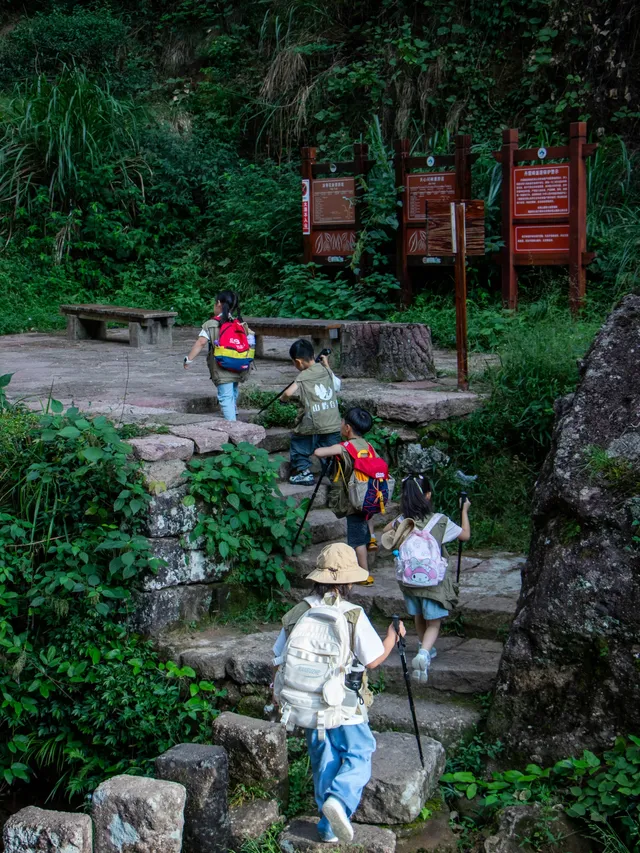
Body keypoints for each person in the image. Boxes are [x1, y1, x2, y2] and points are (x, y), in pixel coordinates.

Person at [272, 543, 405, 843]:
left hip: (306, 704)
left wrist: (276, 695)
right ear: (348, 581)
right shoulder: (352, 614)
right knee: (359, 752)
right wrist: (392, 637)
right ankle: (341, 800)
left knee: (323, 759)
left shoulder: (298, 611)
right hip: (343, 704)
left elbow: (278, 657)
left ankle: (327, 827)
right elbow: (372, 659)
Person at [381, 475, 470, 683]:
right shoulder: (440, 520)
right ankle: (424, 654)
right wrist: (464, 510)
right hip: (433, 581)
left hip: (409, 581)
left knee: (419, 615)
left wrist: (400, 519)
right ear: (428, 495)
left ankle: (425, 648)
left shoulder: (403, 521)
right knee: (434, 623)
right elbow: (465, 535)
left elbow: (386, 531)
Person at [314, 407, 380, 586]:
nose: (341, 425)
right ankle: (372, 538)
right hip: (371, 495)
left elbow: (319, 453)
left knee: (357, 540)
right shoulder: (369, 446)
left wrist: (319, 448)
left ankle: (364, 574)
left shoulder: (344, 447)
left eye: (342, 422)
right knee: (367, 519)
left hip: (354, 500)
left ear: (348, 428)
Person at [183, 290, 252, 421]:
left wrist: (188, 360)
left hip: (222, 367)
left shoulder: (211, 324)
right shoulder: (240, 323)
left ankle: (233, 427)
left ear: (219, 304)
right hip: (239, 365)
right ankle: (234, 411)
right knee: (233, 390)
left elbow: (201, 342)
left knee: (225, 397)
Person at [281, 339, 342, 486]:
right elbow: (337, 386)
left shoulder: (303, 376)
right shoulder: (326, 370)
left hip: (312, 422)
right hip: (333, 422)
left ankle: (303, 472)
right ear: (313, 354)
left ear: (298, 362)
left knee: (299, 444)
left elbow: (289, 393)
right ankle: (334, 472)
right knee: (330, 448)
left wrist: (283, 399)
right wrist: (326, 364)